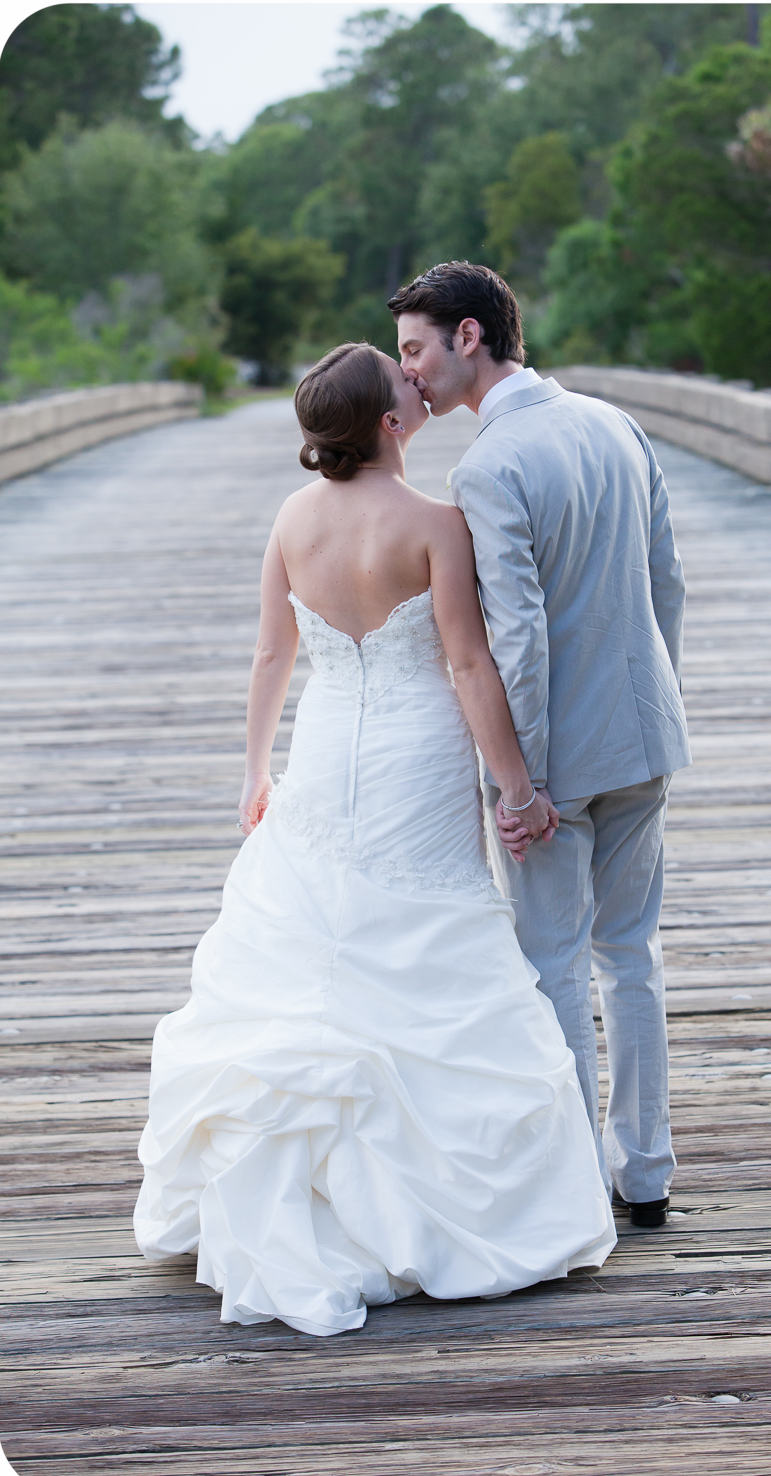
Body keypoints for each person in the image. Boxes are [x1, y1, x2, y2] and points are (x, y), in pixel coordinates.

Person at [133, 342, 616, 1337]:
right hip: (417, 758)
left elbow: (274, 650)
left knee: (315, 943)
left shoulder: (291, 518)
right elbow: (470, 667)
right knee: (429, 939)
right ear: (390, 423)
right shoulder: (437, 524)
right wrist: (517, 789)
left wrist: (254, 771)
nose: (419, 384)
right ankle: (435, 1209)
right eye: (404, 383)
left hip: (323, 757)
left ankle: (307, 1191)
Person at [389, 263, 691, 1228]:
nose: (414, 374)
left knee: (554, 961)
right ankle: (646, 1174)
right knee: (632, 956)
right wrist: (652, 703)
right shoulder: (615, 423)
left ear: (469, 337)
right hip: (644, 735)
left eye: (417, 350)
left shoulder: (486, 468)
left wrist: (520, 784)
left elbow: (514, 638)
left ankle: (569, 1183)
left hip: (556, 761)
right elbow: (665, 583)